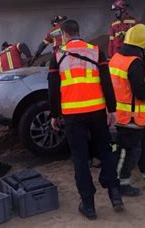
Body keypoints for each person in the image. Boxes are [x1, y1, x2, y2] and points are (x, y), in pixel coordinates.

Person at [48, 19, 123, 220]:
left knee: (80, 158)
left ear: (64, 33)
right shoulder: (95, 51)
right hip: (97, 110)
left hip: (73, 114)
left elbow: (53, 88)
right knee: (105, 151)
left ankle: (88, 205)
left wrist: (55, 115)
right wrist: (112, 109)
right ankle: (115, 194)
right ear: (79, 31)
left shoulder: (57, 55)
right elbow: (106, 81)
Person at [109, 24, 145, 197]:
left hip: (122, 115)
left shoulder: (116, 58)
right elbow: (140, 91)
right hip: (131, 117)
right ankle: (121, 184)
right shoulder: (136, 63)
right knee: (129, 153)